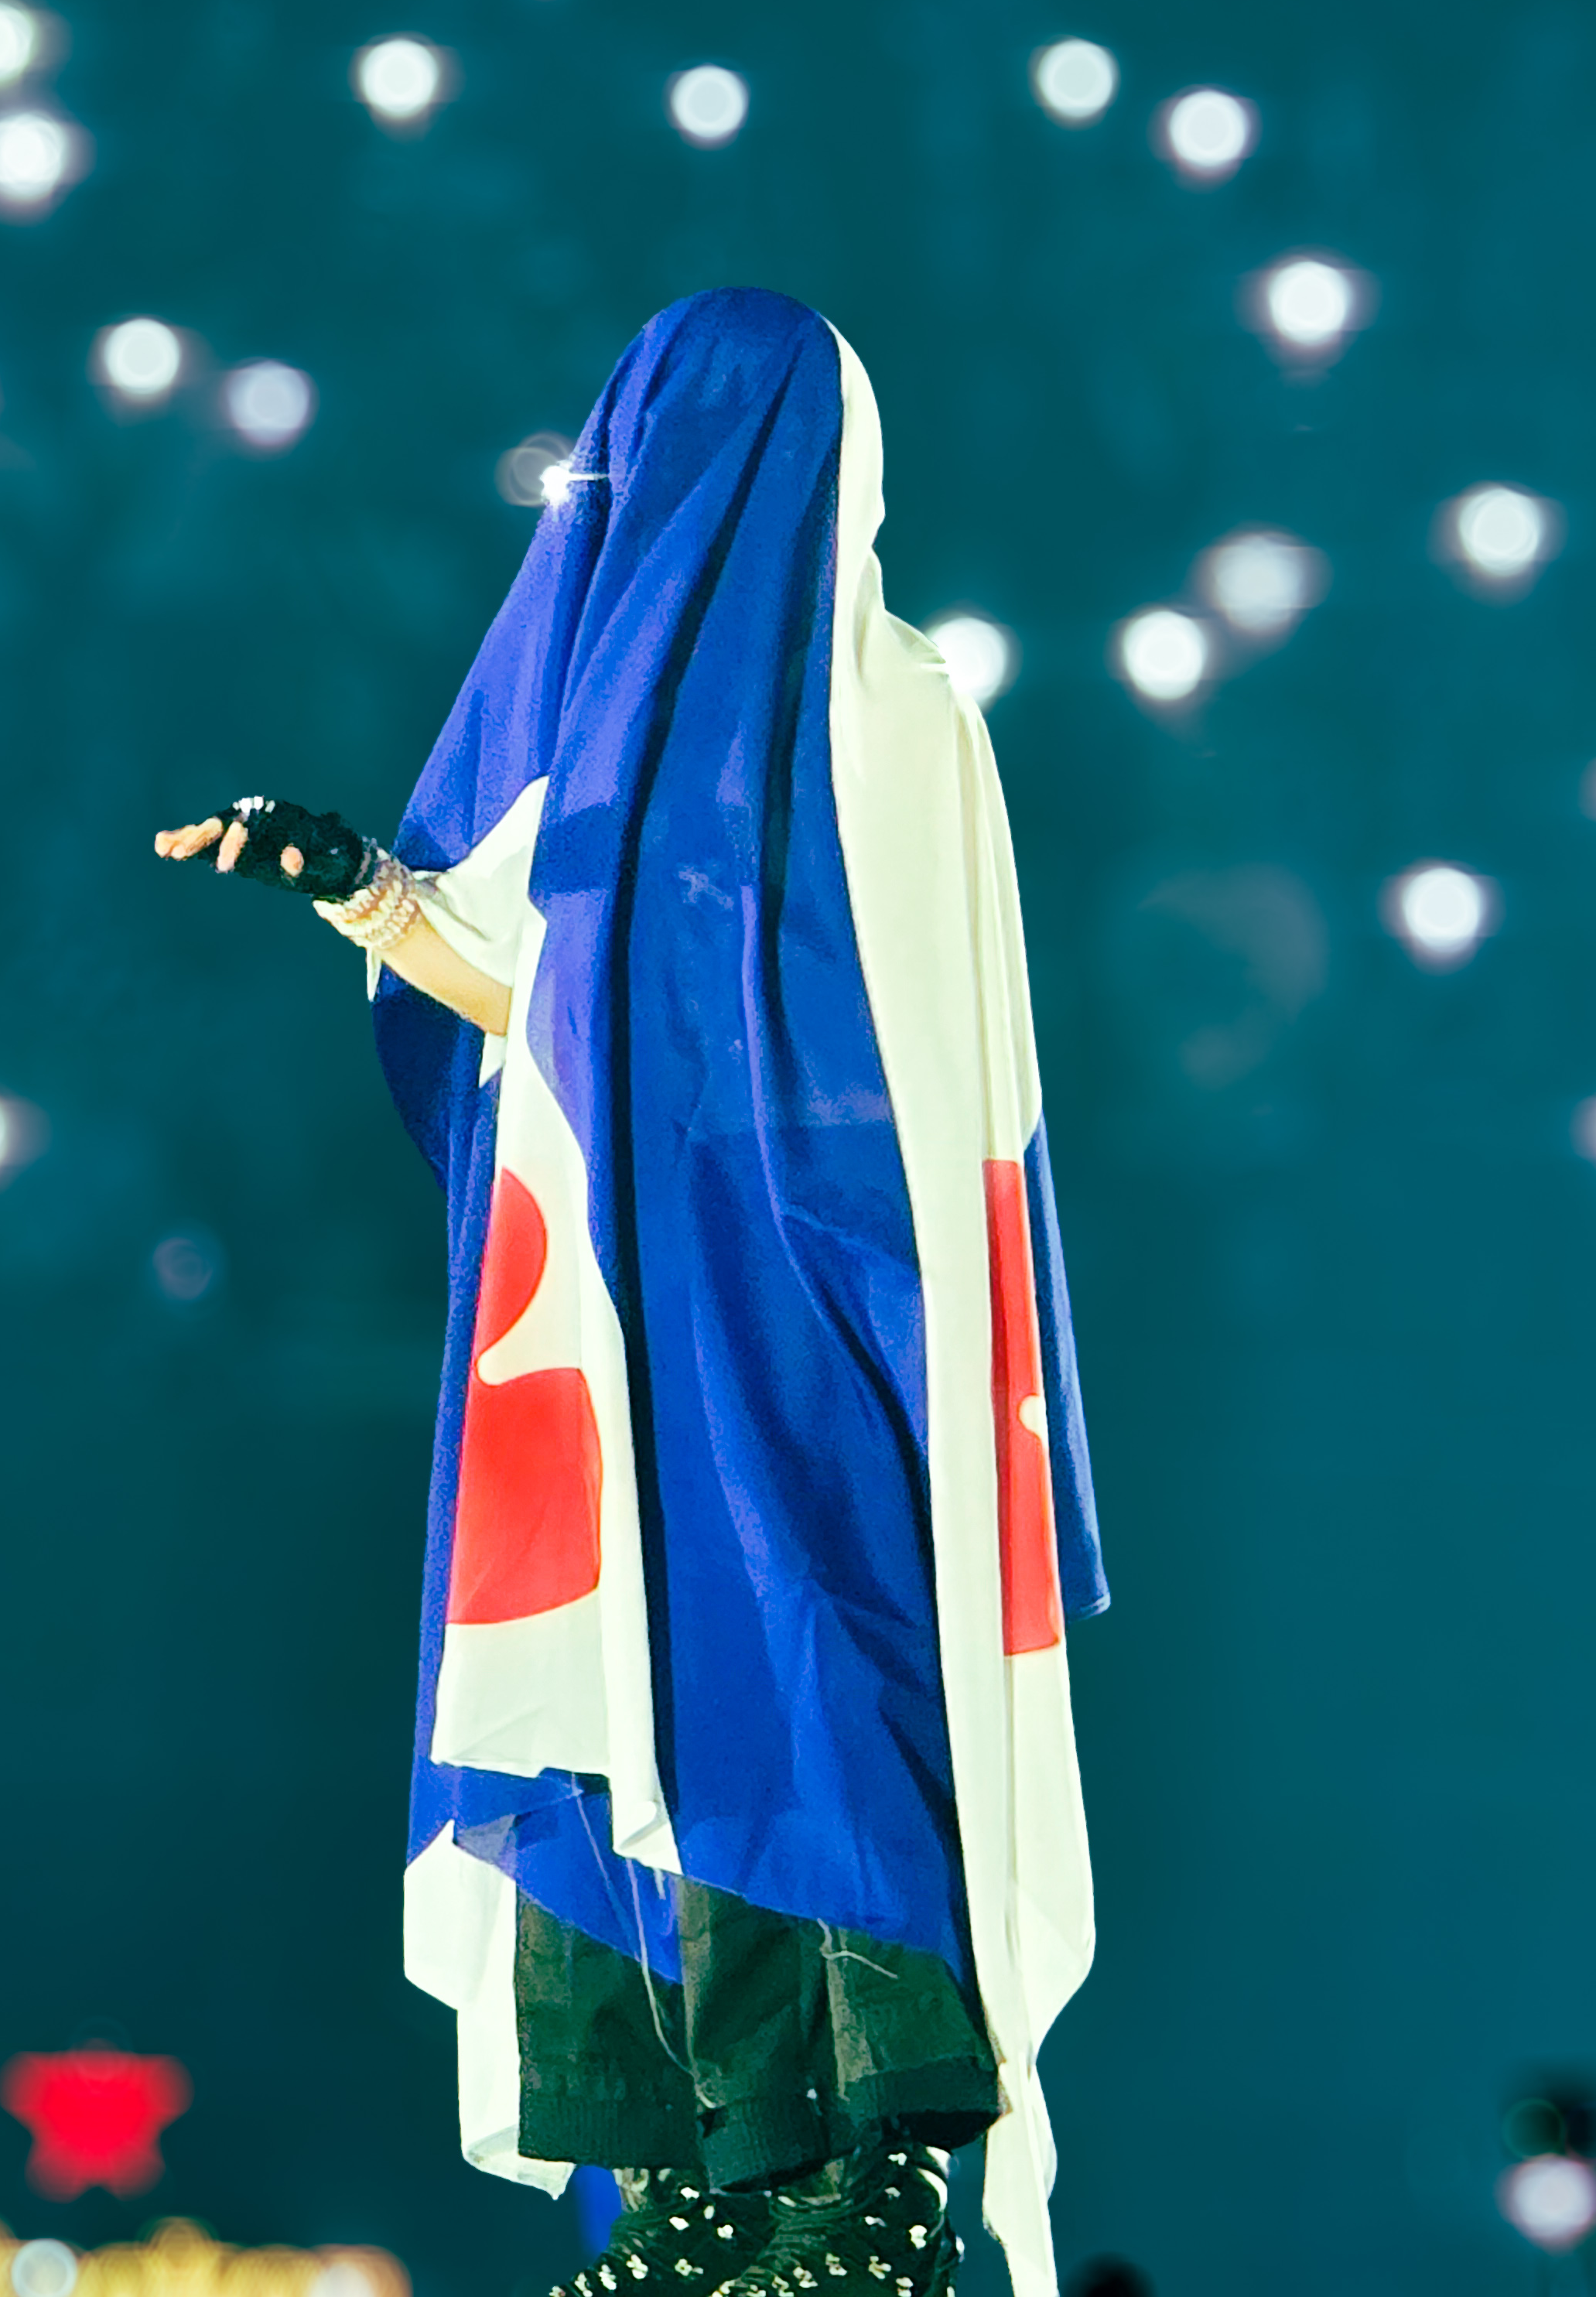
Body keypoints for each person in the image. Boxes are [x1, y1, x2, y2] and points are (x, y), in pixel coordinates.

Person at [156, 291, 1104, 2297]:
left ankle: (859, 2172)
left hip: (821, 1317)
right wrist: (361, 887)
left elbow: (935, 1072)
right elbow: (538, 1004)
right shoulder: (597, 743)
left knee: (809, 1692)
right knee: (604, 1704)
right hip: (610, 1321)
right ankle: (687, 2176)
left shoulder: (894, 714)